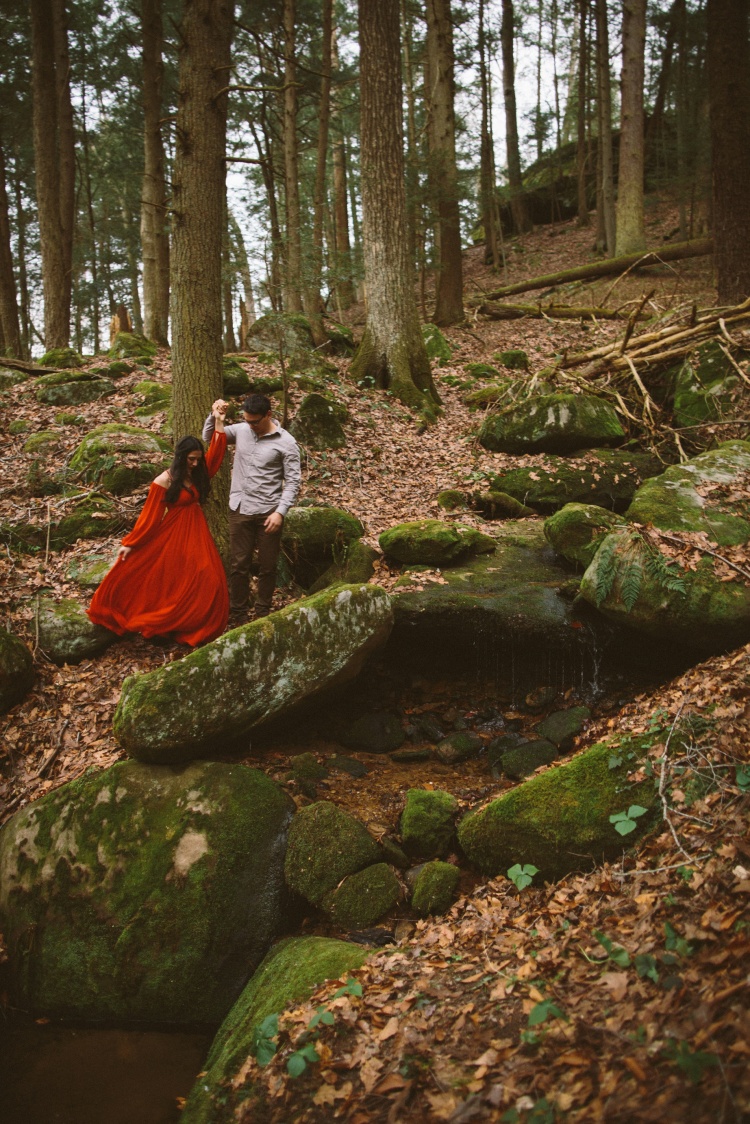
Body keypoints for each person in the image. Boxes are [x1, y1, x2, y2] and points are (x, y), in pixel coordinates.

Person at [87, 405, 229, 646]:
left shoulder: (196, 474)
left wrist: (219, 421)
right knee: (175, 579)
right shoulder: (163, 481)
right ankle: (169, 623)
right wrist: (131, 544)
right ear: (181, 457)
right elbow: (150, 516)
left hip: (197, 531)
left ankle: (196, 626)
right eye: (191, 459)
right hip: (173, 534)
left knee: (209, 576)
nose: (195, 464)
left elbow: (215, 455)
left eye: (197, 459)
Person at [202, 393, 300, 620]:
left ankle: (263, 612)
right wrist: (215, 416)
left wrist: (280, 512)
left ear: (268, 415)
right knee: (239, 565)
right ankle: (238, 613)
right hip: (240, 508)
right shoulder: (241, 430)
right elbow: (210, 438)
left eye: (255, 421)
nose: (251, 425)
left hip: (268, 512)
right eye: (247, 421)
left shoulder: (286, 443)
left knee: (267, 566)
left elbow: (293, 481)